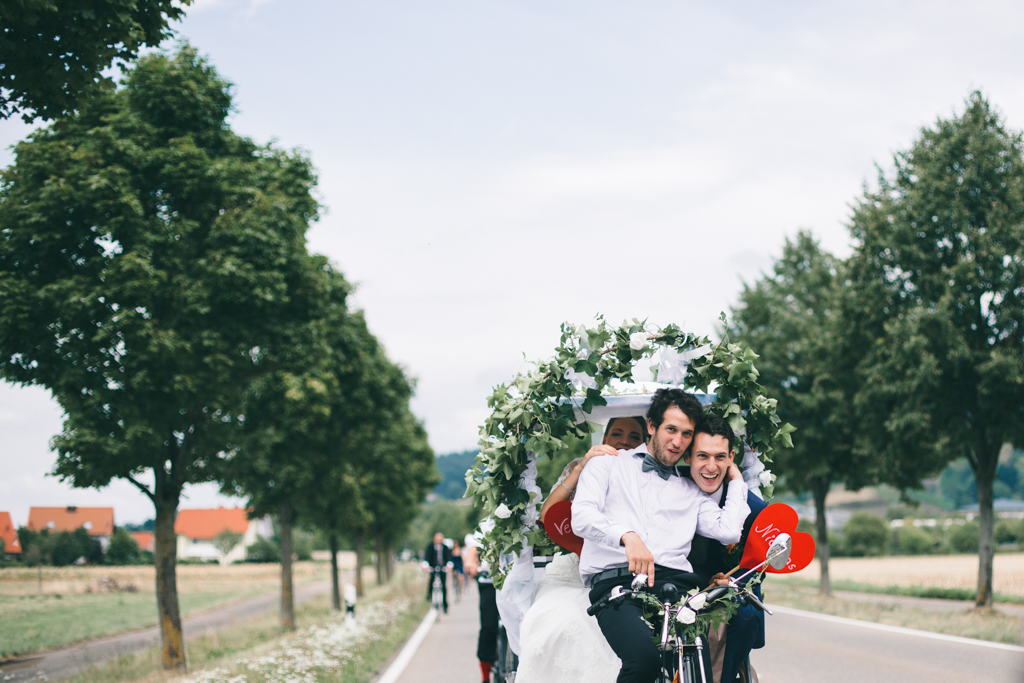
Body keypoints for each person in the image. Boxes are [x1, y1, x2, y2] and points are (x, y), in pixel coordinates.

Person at [572, 388, 750, 683]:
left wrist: (737, 481)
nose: (678, 442)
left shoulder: (690, 489)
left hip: (678, 589)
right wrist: (627, 536)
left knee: (697, 662)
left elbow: (728, 530)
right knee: (643, 661)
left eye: (686, 434)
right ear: (652, 426)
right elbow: (581, 517)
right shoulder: (607, 464)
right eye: (671, 429)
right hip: (619, 586)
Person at [515, 416, 647, 683]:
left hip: (631, 572)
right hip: (575, 572)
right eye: (617, 434)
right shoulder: (585, 468)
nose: (624, 441)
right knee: (555, 619)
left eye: (634, 437)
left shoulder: (650, 474)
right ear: (604, 438)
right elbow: (547, 516)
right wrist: (580, 468)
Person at [682, 415, 767, 683]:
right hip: (677, 584)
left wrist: (730, 581)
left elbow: (757, 568)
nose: (711, 466)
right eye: (702, 456)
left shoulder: (754, 509)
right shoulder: (671, 491)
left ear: (731, 457)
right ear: (688, 457)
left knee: (745, 615)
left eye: (720, 457)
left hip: (724, 590)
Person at [464, 534, 499, 683]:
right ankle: (485, 676)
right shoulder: (487, 525)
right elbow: (474, 547)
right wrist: (470, 562)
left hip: (516, 581)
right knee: (488, 628)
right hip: (488, 582)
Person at [422, 532, 452, 613]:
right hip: (433, 567)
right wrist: (426, 566)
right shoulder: (430, 547)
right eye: (437, 539)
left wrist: (449, 565)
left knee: (444, 586)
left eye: (440, 539)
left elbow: (449, 557)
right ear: (434, 540)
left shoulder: (445, 548)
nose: (439, 541)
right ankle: (429, 595)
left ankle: (445, 605)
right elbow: (427, 557)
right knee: (431, 581)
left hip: (443, 568)